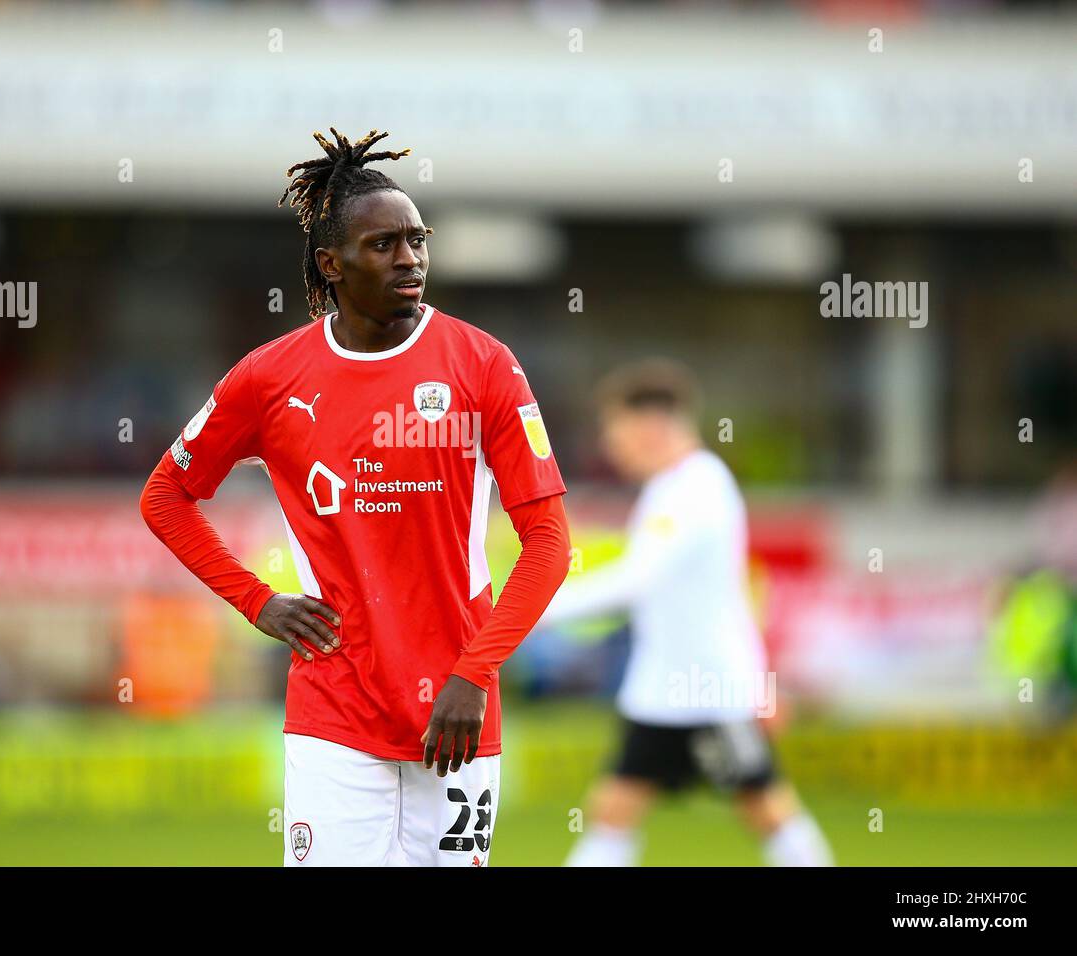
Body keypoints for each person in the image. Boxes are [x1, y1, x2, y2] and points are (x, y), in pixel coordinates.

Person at [140, 128, 571, 866]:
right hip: (333, 712)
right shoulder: (269, 379)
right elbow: (166, 497)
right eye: (385, 245)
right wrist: (257, 600)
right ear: (330, 265)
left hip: (457, 717)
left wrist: (474, 674)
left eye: (418, 240)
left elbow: (551, 545)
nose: (410, 259)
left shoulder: (484, 366)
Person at [542, 358, 832, 867]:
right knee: (613, 810)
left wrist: (526, 610)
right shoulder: (671, 489)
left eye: (615, 428)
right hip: (663, 689)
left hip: (710, 691)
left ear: (649, 424)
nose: (610, 445)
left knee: (765, 807)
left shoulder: (696, 488)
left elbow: (635, 579)